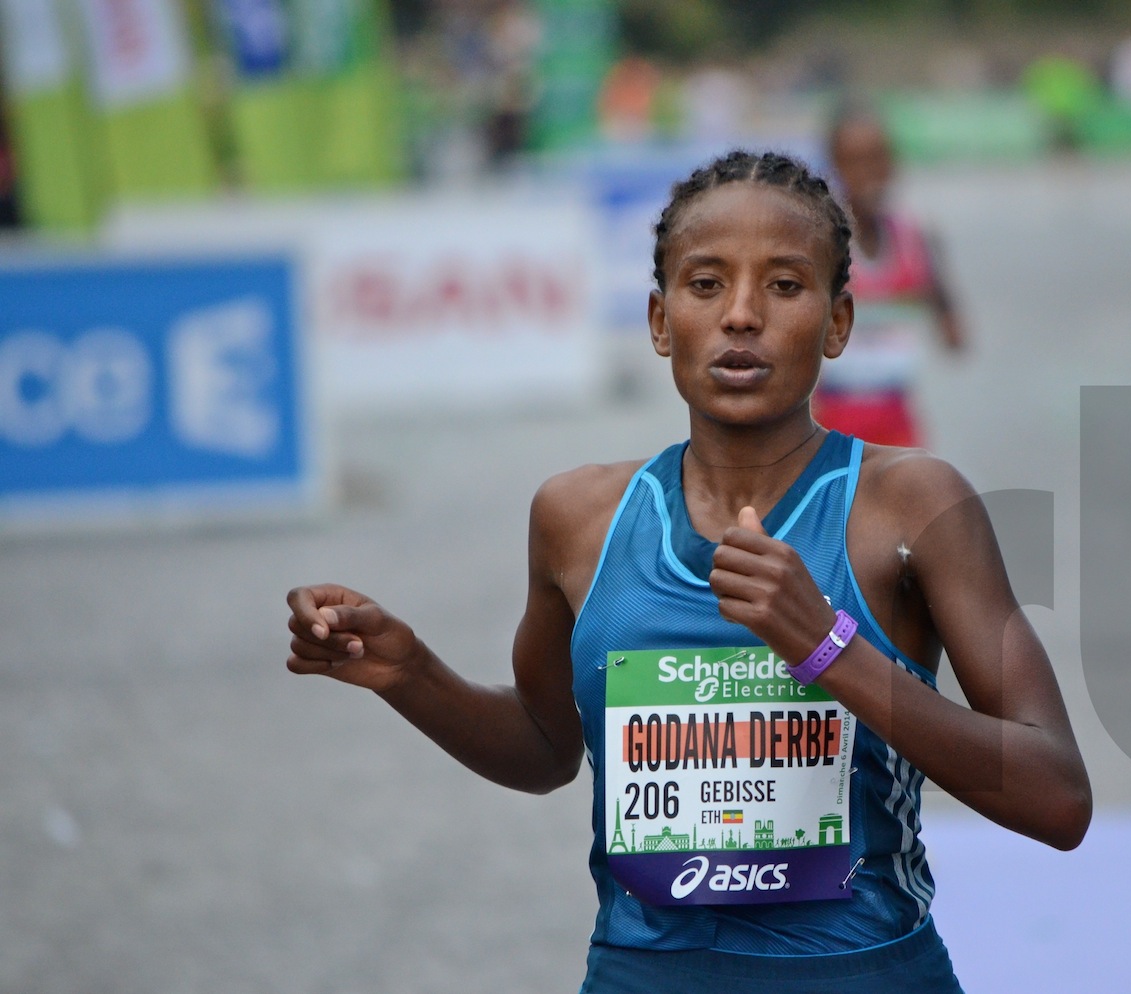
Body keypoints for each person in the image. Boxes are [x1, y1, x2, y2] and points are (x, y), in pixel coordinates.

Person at [285, 150, 1090, 993]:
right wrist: (411, 673)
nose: (741, 315)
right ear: (660, 320)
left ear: (838, 322)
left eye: (785, 285)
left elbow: (1057, 797)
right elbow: (547, 748)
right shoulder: (578, 518)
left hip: (863, 974)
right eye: (706, 284)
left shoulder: (912, 507)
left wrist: (826, 648)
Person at [815, 109, 965, 448]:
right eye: (855, 162)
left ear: (894, 163)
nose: (869, 174)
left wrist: (936, 291)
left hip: (898, 426)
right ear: (833, 166)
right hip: (828, 427)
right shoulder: (820, 245)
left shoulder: (916, 239)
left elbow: (955, 340)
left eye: (878, 159)